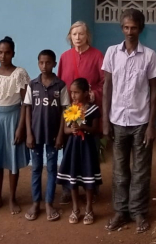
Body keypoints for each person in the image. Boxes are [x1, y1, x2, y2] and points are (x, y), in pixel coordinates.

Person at [102, 9, 156, 234]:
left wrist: (152, 126)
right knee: (119, 171)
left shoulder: (149, 56)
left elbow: (154, 92)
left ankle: (138, 212)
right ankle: (120, 211)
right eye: (126, 27)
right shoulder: (111, 53)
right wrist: (106, 122)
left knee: (141, 170)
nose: (129, 32)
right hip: (117, 121)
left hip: (141, 123)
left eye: (134, 28)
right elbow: (107, 88)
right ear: (121, 29)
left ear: (141, 29)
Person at [0, 36, 31, 214]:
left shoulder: (20, 74)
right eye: (0, 52)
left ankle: (13, 198)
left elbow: (26, 103)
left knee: (13, 159)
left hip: (14, 119)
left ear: (13, 54)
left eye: (7, 52)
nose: (3, 56)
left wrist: (21, 127)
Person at [24, 49, 69, 222]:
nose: (44, 66)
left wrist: (60, 135)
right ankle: (36, 202)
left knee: (51, 169)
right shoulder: (33, 85)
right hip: (35, 134)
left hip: (52, 135)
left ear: (54, 64)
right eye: (41, 62)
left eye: (48, 62)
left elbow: (65, 111)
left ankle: (49, 203)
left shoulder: (60, 86)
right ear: (38, 63)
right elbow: (27, 108)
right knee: (35, 168)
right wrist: (28, 133)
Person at [57, 78, 102, 225]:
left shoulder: (93, 110)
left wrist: (83, 128)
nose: (73, 95)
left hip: (87, 147)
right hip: (73, 147)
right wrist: (72, 129)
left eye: (77, 92)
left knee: (88, 177)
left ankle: (89, 208)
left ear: (85, 93)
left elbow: (95, 130)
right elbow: (65, 129)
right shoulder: (69, 109)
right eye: (72, 92)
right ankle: (75, 209)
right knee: (73, 177)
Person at [58, 21, 104, 111]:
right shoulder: (65, 56)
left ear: (87, 36)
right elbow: (59, 82)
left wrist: (95, 93)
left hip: (89, 108)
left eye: (81, 34)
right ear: (70, 36)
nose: (78, 38)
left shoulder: (97, 55)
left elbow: (105, 82)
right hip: (69, 108)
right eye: (74, 34)